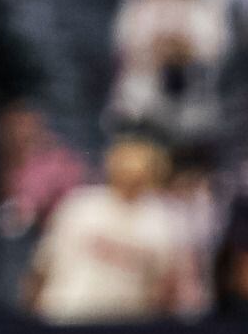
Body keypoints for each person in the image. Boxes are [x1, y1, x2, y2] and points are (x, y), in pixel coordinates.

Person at [26, 134, 197, 323]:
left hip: (126, 325)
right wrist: (31, 319)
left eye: (140, 166)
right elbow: (42, 267)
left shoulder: (162, 218)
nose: (131, 174)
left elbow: (167, 286)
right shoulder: (80, 204)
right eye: (125, 165)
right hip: (69, 315)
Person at [109, 0, 228, 146]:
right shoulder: (138, 0)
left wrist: (183, 49)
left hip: (192, 108)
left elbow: (216, 49)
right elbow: (123, 46)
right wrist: (158, 48)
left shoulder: (205, 3)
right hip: (142, 103)